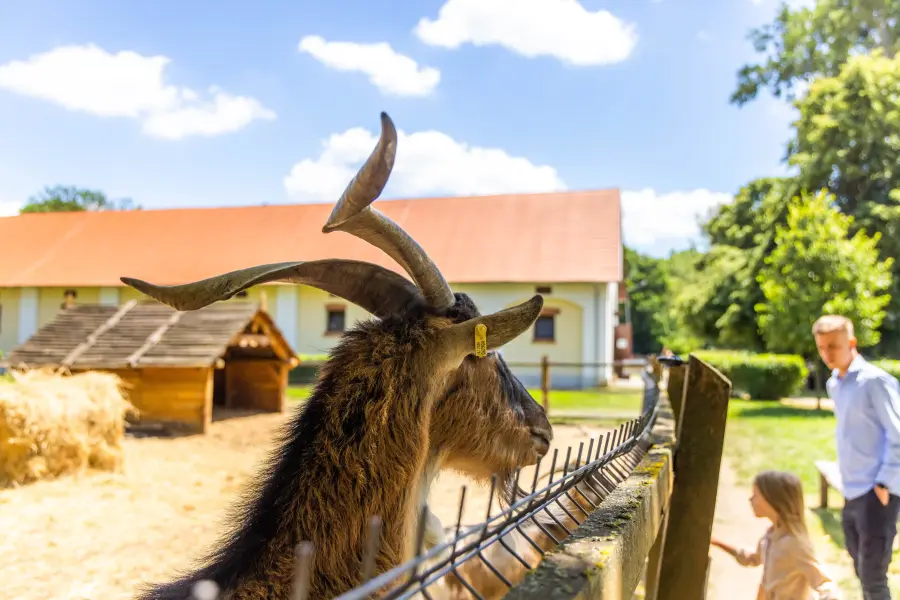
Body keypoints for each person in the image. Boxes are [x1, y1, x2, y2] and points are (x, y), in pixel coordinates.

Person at [813, 314, 900, 599]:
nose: (827, 354)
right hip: (851, 489)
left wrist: (884, 484)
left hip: (877, 492)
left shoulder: (875, 382)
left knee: (874, 578)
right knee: (862, 572)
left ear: (852, 342)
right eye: (822, 347)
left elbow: (897, 433)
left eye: (834, 347)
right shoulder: (834, 384)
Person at [710, 470, 840, 599]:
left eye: (755, 495)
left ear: (773, 500)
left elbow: (823, 582)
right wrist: (716, 542)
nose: (750, 499)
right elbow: (752, 559)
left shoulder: (794, 544)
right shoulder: (770, 536)